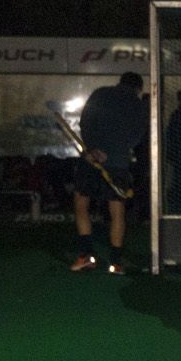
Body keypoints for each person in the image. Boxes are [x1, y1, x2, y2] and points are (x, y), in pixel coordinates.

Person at [70, 71, 148, 274]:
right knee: (117, 211)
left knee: (81, 203)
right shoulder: (138, 105)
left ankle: (86, 256)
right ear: (138, 88)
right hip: (118, 163)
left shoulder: (100, 94)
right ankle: (116, 262)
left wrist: (93, 148)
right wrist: (116, 152)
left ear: (119, 82)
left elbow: (86, 121)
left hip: (91, 159)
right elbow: (137, 135)